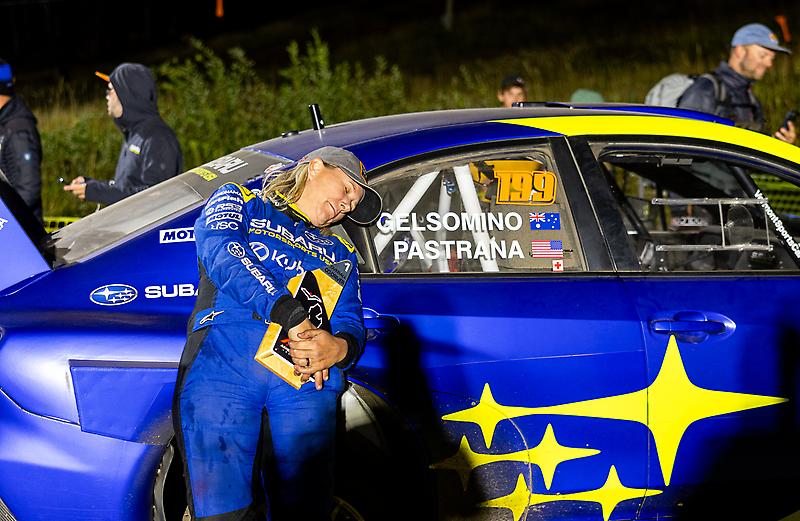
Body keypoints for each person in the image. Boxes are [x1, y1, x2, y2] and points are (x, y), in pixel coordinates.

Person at [173, 146, 382, 520]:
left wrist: (339, 348)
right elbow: (222, 251)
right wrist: (289, 313)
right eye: (348, 189)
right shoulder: (241, 200)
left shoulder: (340, 252)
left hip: (304, 383)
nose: (348, 205)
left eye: (353, 204)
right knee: (222, 511)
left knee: (306, 510)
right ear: (315, 166)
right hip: (223, 369)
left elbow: (350, 320)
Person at [63, 63, 182, 204]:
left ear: (127, 94)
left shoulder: (158, 137)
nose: (107, 96)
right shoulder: (134, 134)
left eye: (110, 90)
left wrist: (99, 192)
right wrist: (92, 185)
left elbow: (154, 196)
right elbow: (128, 187)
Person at [678, 23, 796, 143]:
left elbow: (750, 145)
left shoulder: (751, 98)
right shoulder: (706, 89)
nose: (769, 64)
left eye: (772, 58)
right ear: (739, 51)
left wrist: (777, 144)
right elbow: (685, 142)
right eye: (763, 55)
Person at [0, 59, 43, 222]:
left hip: (22, 231)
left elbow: (29, 188)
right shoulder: (5, 125)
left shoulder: (18, 129)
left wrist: (4, 218)